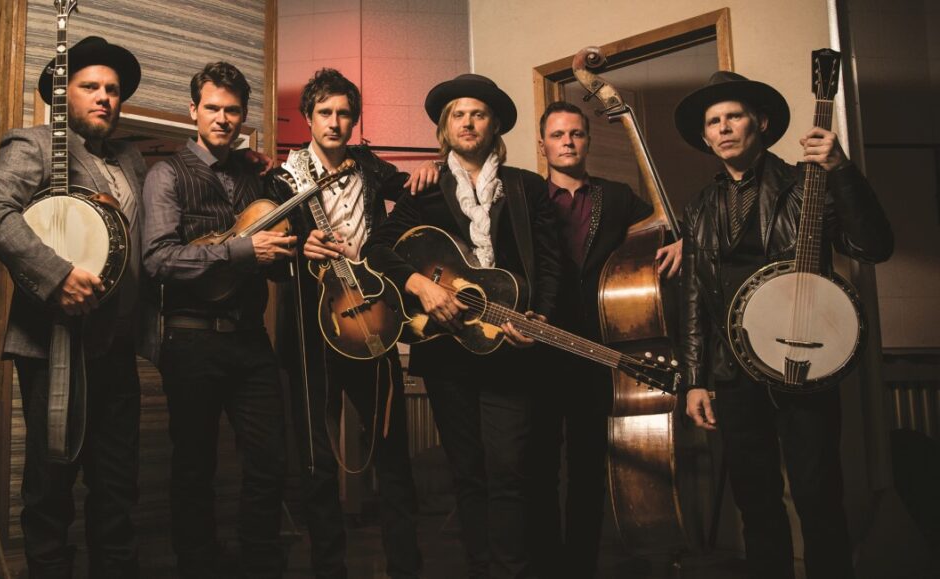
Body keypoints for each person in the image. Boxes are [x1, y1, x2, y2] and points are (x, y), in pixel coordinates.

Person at [675, 71, 893, 579]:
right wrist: (695, 379)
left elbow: (874, 247)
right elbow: (692, 299)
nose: (724, 127)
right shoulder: (699, 207)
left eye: (734, 116)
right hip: (732, 372)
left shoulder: (807, 184)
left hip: (803, 359)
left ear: (762, 123)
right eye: (714, 121)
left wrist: (841, 171)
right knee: (755, 503)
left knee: (819, 498)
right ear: (706, 137)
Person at [363, 73, 562, 579]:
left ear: (494, 124)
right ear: (445, 129)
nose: (467, 122)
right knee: (468, 472)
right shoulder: (424, 191)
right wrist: (420, 286)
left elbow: (552, 263)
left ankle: (514, 569)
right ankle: (481, 569)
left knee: (510, 470)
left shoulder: (526, 187)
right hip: (448, 349)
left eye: (477, 113)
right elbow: (377, 248)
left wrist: (539, 317)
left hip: (509, 347)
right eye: (457, 114)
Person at [0, 36, 146, 578]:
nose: (104, 98)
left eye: (112, 90)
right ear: (64, 95)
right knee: (52, 484)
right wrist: (57, 276)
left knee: (117, 485)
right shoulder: (38, 143)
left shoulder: (130, 159)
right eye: (90, 87)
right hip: (54, 343)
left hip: (116, 348)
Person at [140, 61, 295, 578]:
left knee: (270, 460)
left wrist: (288, 256)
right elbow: (159, 260)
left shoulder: (257, 176)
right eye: (212, 108)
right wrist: (244, 252)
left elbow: (273, 270)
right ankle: (197, 565)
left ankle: (260, 562)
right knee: (193, 466)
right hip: (192, 342)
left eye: (232, 110)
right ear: (193, 111)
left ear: (243, 116)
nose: (222, 118)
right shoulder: (166, 174)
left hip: (251, 341)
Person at [270, 68, 423, 579]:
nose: (335, 123)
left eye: (344, 114)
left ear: (355, 120)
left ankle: (406, 566)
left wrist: (425, 176)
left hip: (373, 319)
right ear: (308, 118)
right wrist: (298, 248)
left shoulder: (372, 170)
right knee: (316, 461)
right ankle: (328, 567)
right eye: (325, 113)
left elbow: (414, 202)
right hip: (312, 328)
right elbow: (266, 254)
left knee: (393, 452)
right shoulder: (281, 179)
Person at [525, 100, 682, 578]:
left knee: (589, 469)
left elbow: (662, 222)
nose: (568, 142)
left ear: (588, 141)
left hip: (601, 349)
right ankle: (546, 566)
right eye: (558, 135)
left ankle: (579, 568)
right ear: (543, 144)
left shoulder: (616, 197)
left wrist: (682, 239)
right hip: (539, 350)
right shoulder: (526, 198)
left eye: (576, 134)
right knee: (537, 470)